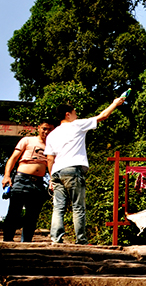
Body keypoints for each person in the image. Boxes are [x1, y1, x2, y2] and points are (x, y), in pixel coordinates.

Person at [44, 97, 125, 244]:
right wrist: (115, 103)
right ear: (67, 114)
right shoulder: (76, 125)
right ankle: (80, 240)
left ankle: (56, 239)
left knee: (58, 207)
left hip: (56, 172)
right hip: (72, 170)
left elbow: (49, 159)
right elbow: (103, 116)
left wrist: (51, 177)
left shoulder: (52, 134)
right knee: (78, 206)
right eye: (74, 112)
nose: (77, 115)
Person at [2, 120, 54, 242]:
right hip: (22, 179)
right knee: (14, 211)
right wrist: (7, 175)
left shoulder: (52, 145)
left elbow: (52, 164)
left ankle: (26, 242)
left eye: (50, 129)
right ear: (39, 128)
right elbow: (13, 158)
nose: (46, 132)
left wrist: (52, 180)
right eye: (44, 128)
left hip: (39, 182)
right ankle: (7, 240)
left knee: (32, 215)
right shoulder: (27, 140)